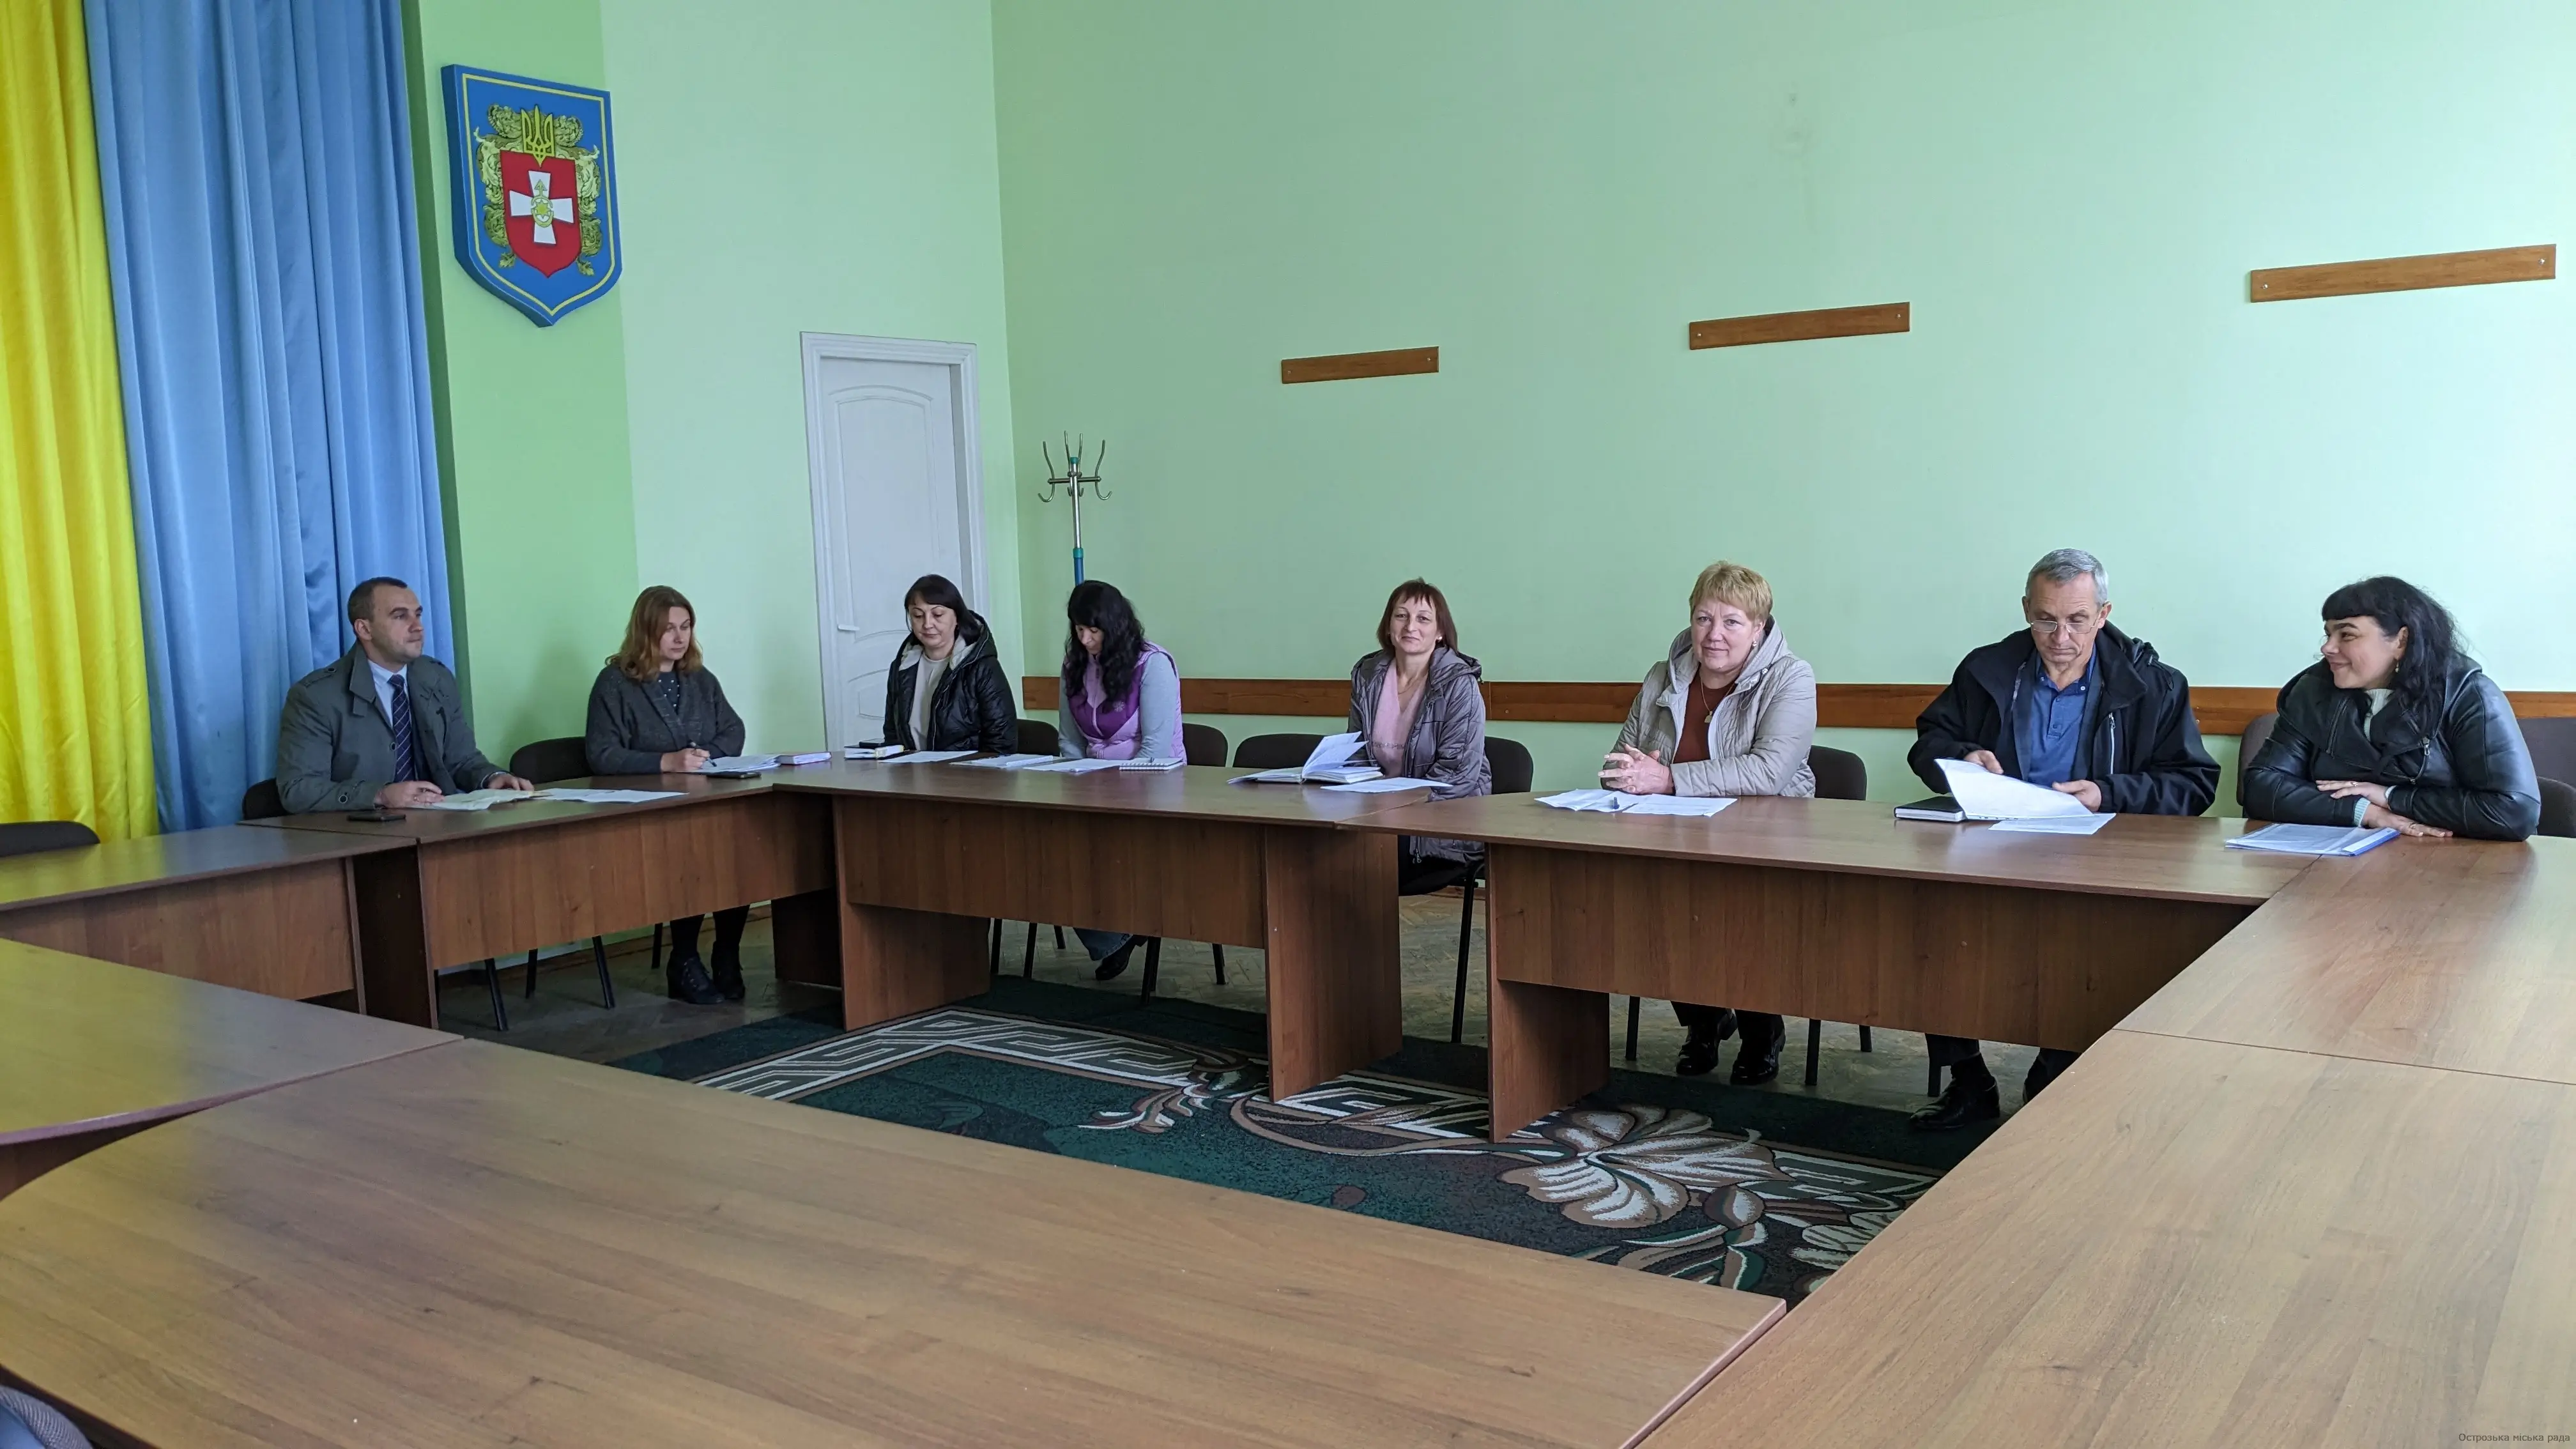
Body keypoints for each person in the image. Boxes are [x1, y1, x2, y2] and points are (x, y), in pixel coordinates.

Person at [1906, 548, 2218, 1130]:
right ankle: (1968, 1081)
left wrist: (2107, 792)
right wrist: (1963, 756)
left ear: (2104, 614)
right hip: (1995, 846)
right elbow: (1930, 743)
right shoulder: (1987, 670)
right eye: (2046, 620)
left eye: (2077, 620)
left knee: (2085, 955)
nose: (2061, 637)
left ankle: (2055, 1069)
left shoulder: (2153, 685)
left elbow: (2194, 783)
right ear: (2027, 609)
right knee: (1936, 930)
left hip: (2100, 856)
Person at [1600, 561, 1817, 1084]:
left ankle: (1762, 1030)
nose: (1714, 634)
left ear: (1758, 628)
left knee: (1745, 910)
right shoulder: (1663, 676)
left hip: (1763, 836)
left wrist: (1666, 778)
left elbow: (1769, 771)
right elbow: (1619, 760)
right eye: (1703, 618)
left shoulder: (1791, 677)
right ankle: (1704, 1021)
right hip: (1675, 835)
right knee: (1651, 904)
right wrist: (1628, 775)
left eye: (1732, 622)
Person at [2243, 576, 2538, 841]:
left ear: (2401, 641)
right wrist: (2366, 812)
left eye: (2346, 635)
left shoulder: (2468, 695)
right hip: (2338, 863)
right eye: (2328, 634)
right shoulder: (2312, 691)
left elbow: (2513, 811)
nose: (2327, 648)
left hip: (2457, 863)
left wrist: (2390, 797)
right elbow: (2261, 787)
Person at [584, 585, 753, 1005]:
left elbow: (733, 729)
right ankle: (685, 960)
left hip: (703, 798)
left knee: (739, 854)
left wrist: (705, 756)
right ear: (646, 632)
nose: (679, 638)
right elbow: (602, 754)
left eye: (686, 627)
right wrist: (666, 762)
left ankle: (727, 954)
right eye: (668, 629)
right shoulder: (615, 684)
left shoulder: (699, 678)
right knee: (690, 856)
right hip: (647, 810)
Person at [277, 577, 530, 814]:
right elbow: (298, 789)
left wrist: (492, 777)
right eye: (400, 616)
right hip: (361, 832)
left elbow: (461, 759)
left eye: (418, 615)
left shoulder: (437, 678)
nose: (417, 627)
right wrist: (379, 795)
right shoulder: (316, 696)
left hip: (440, 825)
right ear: (364, 629)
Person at [1057, 580, 1181, 979]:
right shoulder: (1074, 665)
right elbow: (1069, 741)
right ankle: (1118, 932)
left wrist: (1112, 793)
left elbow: (1155, 749)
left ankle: (1124, 927)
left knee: (1104, 848)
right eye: (1079, 630)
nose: (1086, 640)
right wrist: (1076, 782)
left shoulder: (1152, 665)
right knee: (1059, 851)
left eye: (1094, 631)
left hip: (1151, 788)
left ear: (1115, 626)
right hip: (1094, 786)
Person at [1346, 579, 1492, 894]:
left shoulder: (1459, 684)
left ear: (1440, 631)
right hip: (1377, 816)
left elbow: (1458, 775)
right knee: (1317, 844)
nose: (1410, 626)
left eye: (1423, 618)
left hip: (1440, 826)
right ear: (1389, 626)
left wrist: (1390, 804)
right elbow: (1356, 754)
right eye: (1401, 616)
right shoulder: (1368, 676)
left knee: (1351, 861)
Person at [880, 573, 1016, 753]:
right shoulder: (901, 668)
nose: (927, 624)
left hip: (968, 771)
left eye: (938, 614)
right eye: (918, 615)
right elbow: (892, 735)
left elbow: (1002, 743)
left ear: (957, 617)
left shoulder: (983, 668)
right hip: (912, 770)